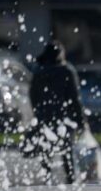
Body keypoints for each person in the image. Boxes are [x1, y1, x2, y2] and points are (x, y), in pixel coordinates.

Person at [27, 41, 86, 183]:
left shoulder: (39, 70)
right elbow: (74, 98)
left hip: (44, 117)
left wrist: (37, 112)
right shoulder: (66, 71)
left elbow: (33, 95)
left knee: (45, 151)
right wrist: (80, 121)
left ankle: (46, 178)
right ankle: (71, 179)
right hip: (63, 118)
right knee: (67, 150)